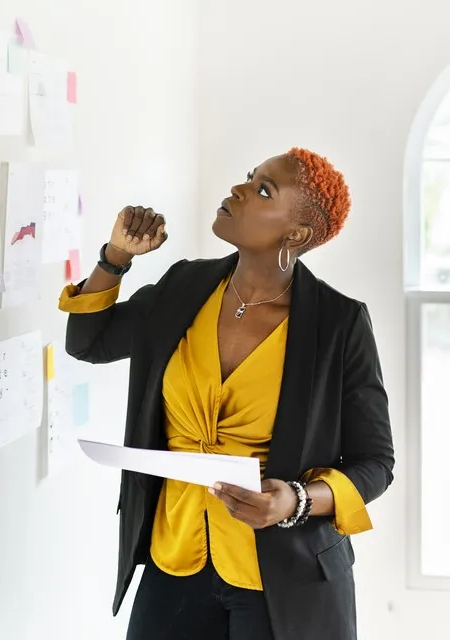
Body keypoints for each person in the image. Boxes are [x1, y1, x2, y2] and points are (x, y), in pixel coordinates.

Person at [57, 148, 395, 640]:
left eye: (263, 190)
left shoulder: (339, 324)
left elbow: (375, 463)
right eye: (249, 178)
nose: (240, 190)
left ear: (296, 234)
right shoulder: (184, 286)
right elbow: (89, 342)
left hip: (284, 577)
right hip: (173, 556)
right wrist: (117, 258)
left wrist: (297, 500)